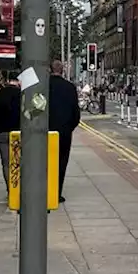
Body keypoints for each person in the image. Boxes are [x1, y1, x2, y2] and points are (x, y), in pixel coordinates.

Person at [50, 60, 81, 202]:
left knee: (44, 161)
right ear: (62, 71)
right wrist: (69, 127)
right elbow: (76, 114)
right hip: (64, 132)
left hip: (45, 130)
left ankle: (44, 190)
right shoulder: (70, 87)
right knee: (61, 162)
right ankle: (56, 193)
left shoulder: (43, 85)